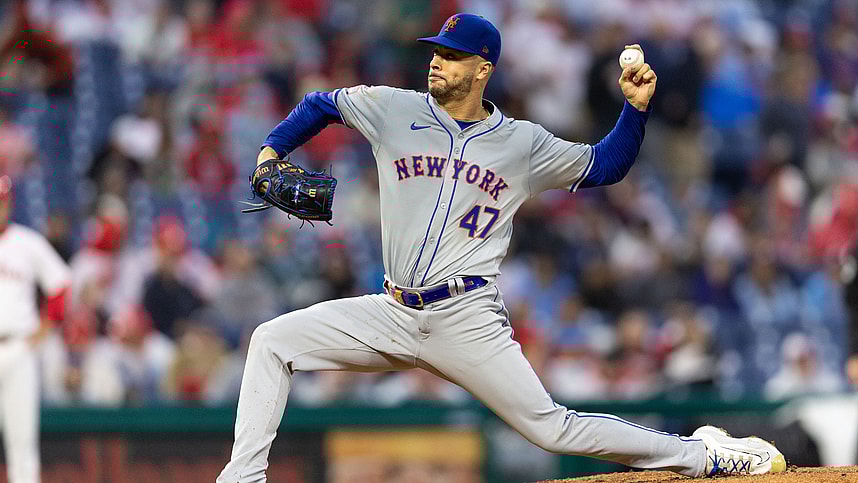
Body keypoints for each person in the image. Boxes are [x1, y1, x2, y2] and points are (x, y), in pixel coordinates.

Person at [218, 14, 785, 482]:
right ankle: (243, 478)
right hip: (391, 309)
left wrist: (633, 111)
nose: (437, 60)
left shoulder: (522, 143)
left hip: (467, 316)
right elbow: (319, 104)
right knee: (272, 341)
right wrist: (270, 152)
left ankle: (704, 454)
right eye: (436, 50)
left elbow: (605, 165)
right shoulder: (395, 108)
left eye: (454, 54)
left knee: (552, 428)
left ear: (483, 68)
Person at [0, 174, 71, 483]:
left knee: (22, 443)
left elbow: (60, 284)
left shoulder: (26, 242)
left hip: (18, 348)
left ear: (10, 204)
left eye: (2, 202)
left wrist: (46, 326)